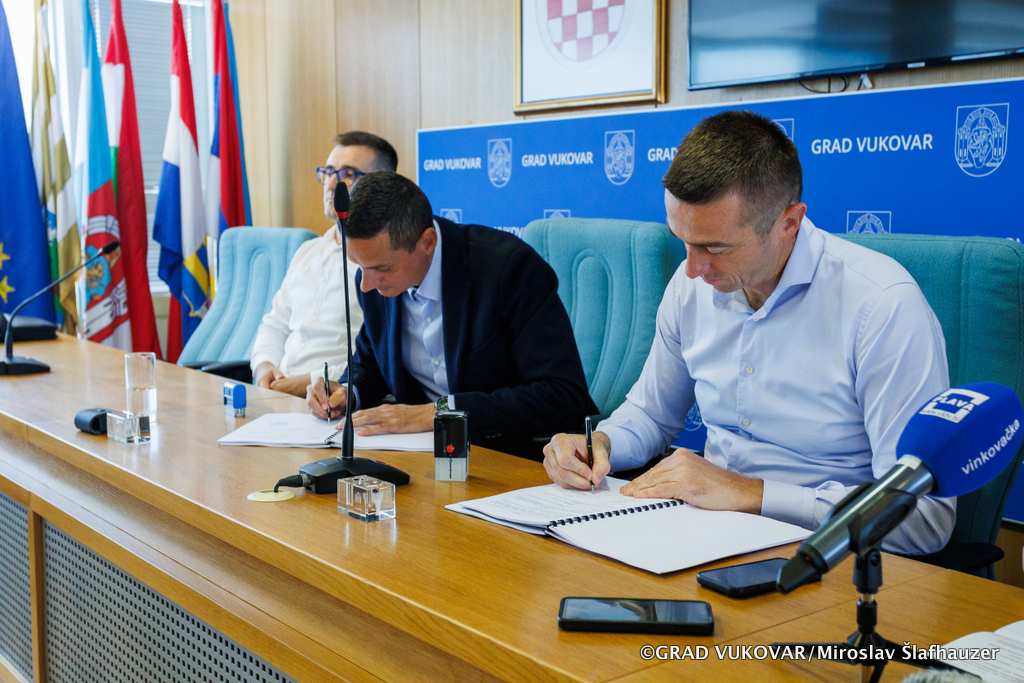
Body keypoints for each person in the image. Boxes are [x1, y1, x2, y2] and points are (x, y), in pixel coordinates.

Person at [542, 110, 955, 555]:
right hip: (702, 535)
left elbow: (923, 516)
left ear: (789, 223)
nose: (693, 268)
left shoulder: (882, 307)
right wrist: (599, 444)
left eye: (715, 248)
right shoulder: (691, 286)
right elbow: (651, 416)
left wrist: (750, 494)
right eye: (684, 240)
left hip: (831, 555)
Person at [306, 171, 597, 458]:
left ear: (427, 242)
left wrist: (439, 412)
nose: (366, 284)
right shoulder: (373, 283)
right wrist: (346, 393)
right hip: (424, 455)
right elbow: (371, 364)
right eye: (358, 265)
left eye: (381, 268)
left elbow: (562, 395)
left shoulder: (509, 269)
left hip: (512, 455)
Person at [250, 131, 398, 396]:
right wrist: (264, 366)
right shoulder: (307, 251)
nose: (331, 184)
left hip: (338, 398)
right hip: (278, 393)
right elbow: (275, 324)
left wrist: (311, 381)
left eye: (347, 174)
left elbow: (380, 357)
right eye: (329, 172)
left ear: (381, 187)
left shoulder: (386, 263)